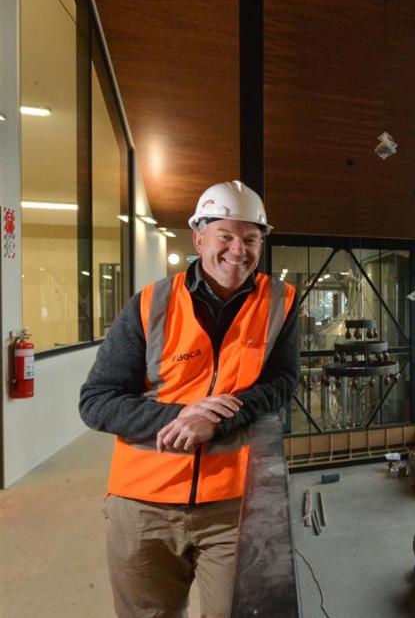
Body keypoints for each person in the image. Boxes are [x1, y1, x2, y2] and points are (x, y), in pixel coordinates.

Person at [80, 180, 299, 617]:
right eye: (226, 236)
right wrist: (181, 417)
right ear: (199, 237)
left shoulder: (281, 302)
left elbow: (282, 382)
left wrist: (218, 418)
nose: (239, 250)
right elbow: (97, 400)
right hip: (144, 506)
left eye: (251, 239)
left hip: (231, 504)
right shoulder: (150, 304)